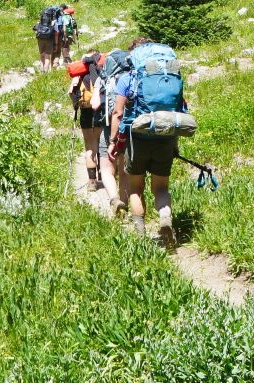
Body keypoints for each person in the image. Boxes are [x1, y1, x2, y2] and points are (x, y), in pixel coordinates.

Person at [110, 39, 185, 244]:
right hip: (166, 134)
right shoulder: (172, 77)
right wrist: (175, 144)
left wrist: (113, 141)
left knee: (136, 188)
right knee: (161, 187)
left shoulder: (127, 78)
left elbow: (117, 113)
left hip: (139, 136)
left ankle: (141, 236)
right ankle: (165, 219)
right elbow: (178, 111)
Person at [68, 50, 108, 192]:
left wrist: (75, 105)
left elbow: (71, 92)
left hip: (85, 112)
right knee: (101, 145)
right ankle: (103, 176)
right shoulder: (101, 71)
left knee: (89, 146)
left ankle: (91, 182)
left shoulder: (79, 74)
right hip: (100, 111)